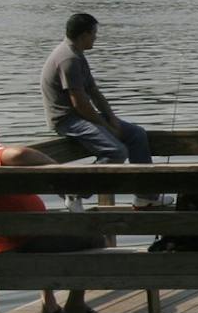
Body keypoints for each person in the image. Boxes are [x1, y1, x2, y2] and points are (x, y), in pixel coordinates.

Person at [0, 109, 107, 313]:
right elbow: (19, 154)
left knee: (49, 226)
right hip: (18, 240)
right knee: (94, 235)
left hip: (5, 237)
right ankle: (75, 306)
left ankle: (49, 305)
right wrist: (59, 170)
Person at [42, 11, 160, 206]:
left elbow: (93, 92)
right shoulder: (68, 59)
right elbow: (78, 103)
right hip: (66, 119)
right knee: (116, 152)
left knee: (137, 135)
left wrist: (111, 118)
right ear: (83, 35)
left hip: (82, 115)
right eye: (94, 34)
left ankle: (146, 196)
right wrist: (105, 126)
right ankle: (75, 192)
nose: (96, 38)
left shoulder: (78, 54)